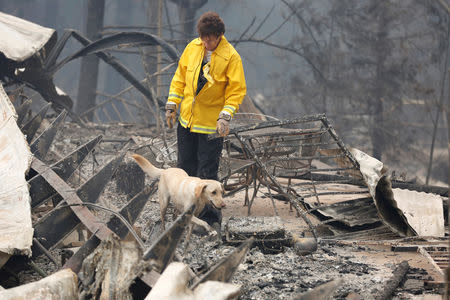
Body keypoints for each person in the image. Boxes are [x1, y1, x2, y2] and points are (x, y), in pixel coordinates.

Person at [165, 11, 246, 229]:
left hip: (211, 125)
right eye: (203, 37)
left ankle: (211, 219)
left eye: (210, 38)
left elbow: (236, 91)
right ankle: (185, 217)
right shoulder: (192, 48)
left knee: (208, 174)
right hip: (187, 122)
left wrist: (225, 116)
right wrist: (172, 104)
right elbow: (179, 78)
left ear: (220, 35)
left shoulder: (231, 57)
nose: (206, 41)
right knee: (185, 169)